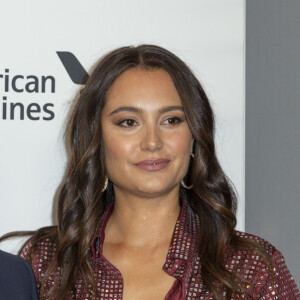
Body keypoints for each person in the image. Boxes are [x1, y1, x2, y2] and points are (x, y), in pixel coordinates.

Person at [2, 45, 299, 299]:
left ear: (194, 137)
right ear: (96, 140)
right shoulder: (50, 260)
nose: (153, 142)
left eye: (171, 120)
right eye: (128, 122)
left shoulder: (250, 267)